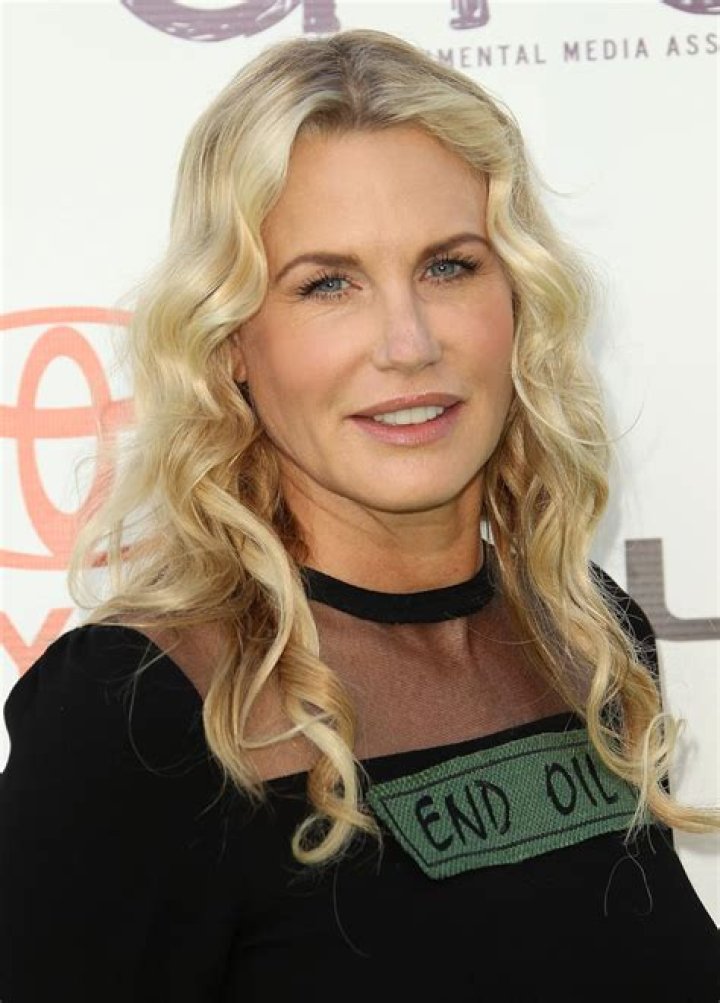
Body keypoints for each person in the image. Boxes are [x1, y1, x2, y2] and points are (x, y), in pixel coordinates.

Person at [1, 27, 718, 1003]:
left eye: (449, 265)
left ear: (519, 300)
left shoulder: (586, 635)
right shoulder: (139, 717)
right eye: (328, 283)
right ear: (231, 342)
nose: (408, 342)